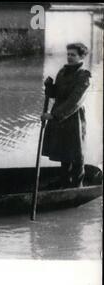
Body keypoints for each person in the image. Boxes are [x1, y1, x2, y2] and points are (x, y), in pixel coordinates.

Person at [41, 43, 92, 188]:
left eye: (73, 55)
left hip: (73, 118)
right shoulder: (63, 72)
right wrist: (50, 87)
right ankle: (64, 182)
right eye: (68, 54)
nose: (69, 57)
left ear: (81, 57)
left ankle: (77, 185)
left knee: (76, 152)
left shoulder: (84, 76)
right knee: (64, 150)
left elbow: (75, 101)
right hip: (60, 117)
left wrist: (54, 115)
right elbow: (57, 94)